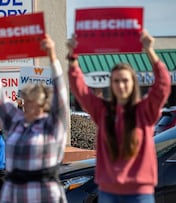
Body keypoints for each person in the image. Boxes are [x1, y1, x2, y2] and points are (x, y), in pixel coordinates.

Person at [67, 30, 171, 203]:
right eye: (116, 81)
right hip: (108, 192)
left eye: (125, 80)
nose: (121, 85)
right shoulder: (103, 110)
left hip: (139, 192)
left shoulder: (144, 110)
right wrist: (72, 57)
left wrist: (149, 50)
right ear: (111, 84)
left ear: (133, 83)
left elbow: (163, 84)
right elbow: (80, 90)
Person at [0, 34, 68, 202]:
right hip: (15, 193)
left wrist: (52, 55)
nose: (29, 105)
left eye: (33, 101)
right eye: (27, 100)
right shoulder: (16, 121)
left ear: (43, 103)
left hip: (43, 193)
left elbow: (61, 94)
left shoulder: (52, 124)